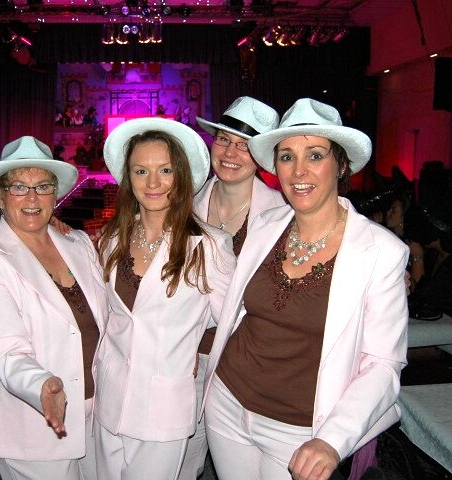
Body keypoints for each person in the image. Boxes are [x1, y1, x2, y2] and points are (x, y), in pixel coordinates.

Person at [203, 98, 409, 480]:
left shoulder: (382, 252)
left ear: (341, 165)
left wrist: (333, 439)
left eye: (315, 155)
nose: (299, 171)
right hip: (227, 403)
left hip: (301, 430)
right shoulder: (265, 224)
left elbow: (383, 365)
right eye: (287, 157)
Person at [93, 117, 236, 479]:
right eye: (141, 171)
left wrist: (195, 351)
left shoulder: (209, 247)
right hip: (109, 401)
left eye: (165, 170)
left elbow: (231, 324)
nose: (153, 183)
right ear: (128, 178)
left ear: (181, 176)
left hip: (163, 408)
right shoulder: (111, 239)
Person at [0, 136, 108, 480]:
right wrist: (41, 385)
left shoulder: (78, 243)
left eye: (43, 186)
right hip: (36, 426)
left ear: (55, 195)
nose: (32, 198)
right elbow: (6, 350)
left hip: (96, 414)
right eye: (18, 187)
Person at [179, 96, 283, 480]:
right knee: (182, 461)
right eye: (224, 139)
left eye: (244, 145)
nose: (230, 153)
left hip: (246, 362)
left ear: (261, 157)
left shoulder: (282, 214)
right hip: (187, 357)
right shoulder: (183, 205)